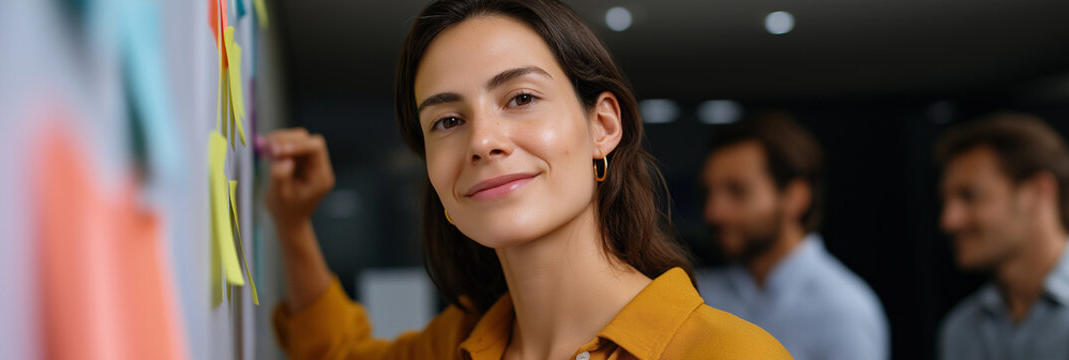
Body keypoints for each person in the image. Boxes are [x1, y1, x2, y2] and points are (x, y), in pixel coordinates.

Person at [261, 1, 791, 359]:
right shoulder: (460, 342)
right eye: (447, 121)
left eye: (521, 98)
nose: (481, 141)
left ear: (602, 126)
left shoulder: (730, 352)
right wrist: (293, 224)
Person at [696, 113, 889, 360]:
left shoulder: (844, 309)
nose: (714, 212)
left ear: (795, 198)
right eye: (708, 193)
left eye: (737, 191)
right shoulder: (703, 295)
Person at [936, 113, 1069, 360]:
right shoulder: (961, 330)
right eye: (946, 201)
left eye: (969, 196)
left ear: (1038, 192)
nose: (949, 220)